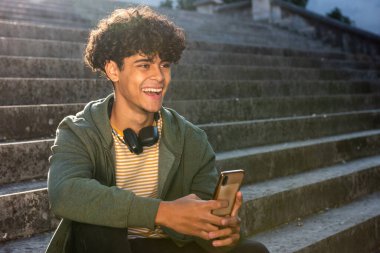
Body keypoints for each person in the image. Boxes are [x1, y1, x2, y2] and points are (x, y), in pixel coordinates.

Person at [46, 6, 269, 253]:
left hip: (165, 245)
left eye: (164, 65)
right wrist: (163, 212)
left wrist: (221, 229)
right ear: (113, 70)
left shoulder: (190, 139)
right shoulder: (79, 131)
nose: (159, 76)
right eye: (144, 65)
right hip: (109, 245)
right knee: (95, 226)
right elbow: (64, 192)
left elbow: (203, 216)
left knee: (253, 250)